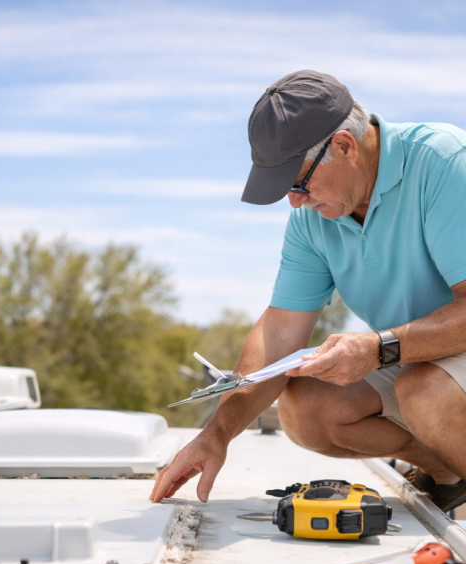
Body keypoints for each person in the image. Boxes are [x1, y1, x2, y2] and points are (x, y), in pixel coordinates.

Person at [151, 69, 466, 514]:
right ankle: (448, 473)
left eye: (298, 182)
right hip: (416, 356)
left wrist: (377, 348)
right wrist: (217, 434)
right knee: (306, 406)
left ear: (345, 146)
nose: (294, 201)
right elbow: (280, 332)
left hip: (434, 364)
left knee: (424, 391)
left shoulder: (445, 163)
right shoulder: (312, 218)